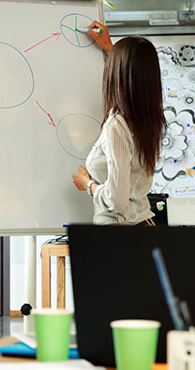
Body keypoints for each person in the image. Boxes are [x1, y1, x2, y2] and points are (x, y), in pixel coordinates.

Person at [71, 21, 166, 225]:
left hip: (119, 238)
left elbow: (117, 202)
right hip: (140, 230)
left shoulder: (117, 125)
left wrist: (87, 184)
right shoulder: (150, 119)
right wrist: (109, 46)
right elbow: (134, 78)